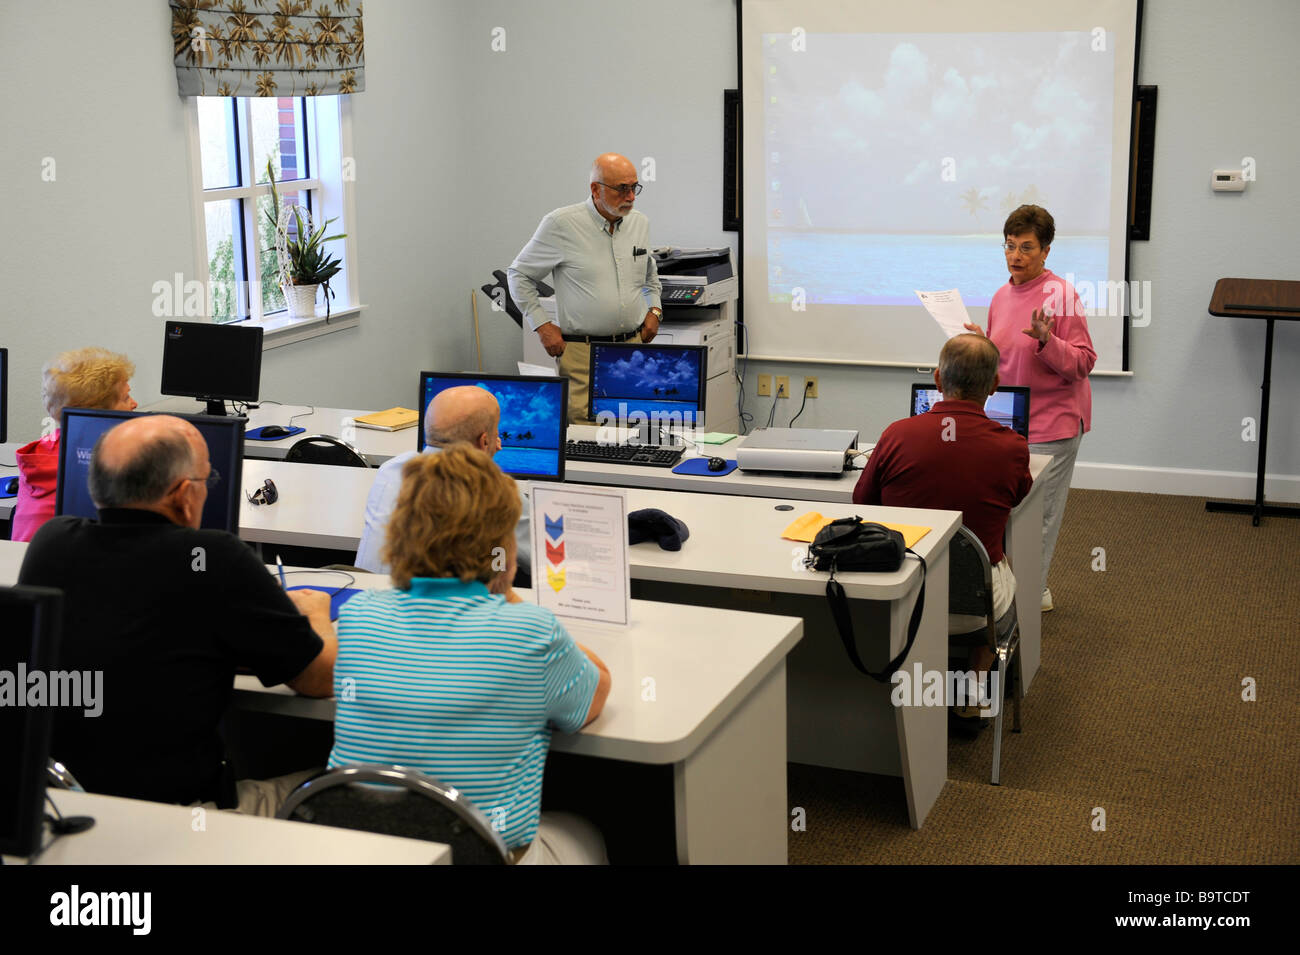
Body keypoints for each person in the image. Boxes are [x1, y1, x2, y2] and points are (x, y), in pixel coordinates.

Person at [17, 414, 336, 814]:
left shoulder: (51, 541)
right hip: (176, 816)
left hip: (57, 803)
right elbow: (320, 679)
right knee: (334, 782)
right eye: (208, 481)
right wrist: (315, 614)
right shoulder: (217, 558)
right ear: (185, 495)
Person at [330, 444, 612, 864]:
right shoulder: (532, 634)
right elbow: (596, 692)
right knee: (588, 829)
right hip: (486, 857)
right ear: (502, 542)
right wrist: (507, 594)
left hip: (372, 854)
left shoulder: (358, 617)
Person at [854, 334, 1032, 679]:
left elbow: (863, 502)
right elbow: (1015, 499)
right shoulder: (1013, 447)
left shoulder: (896, 435)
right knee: (1001, 561)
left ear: (937, 378)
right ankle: (975, 681)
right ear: (995, 385)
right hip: (975, 610)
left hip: (900, 591)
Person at [964, 205, 1096, 612]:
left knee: (1037, 519)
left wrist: (1046, 341)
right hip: (1005, 421)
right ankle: (1005, 592)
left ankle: (1032, 597)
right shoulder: (1002, 295)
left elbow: (1083, 361)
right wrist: (980, 341)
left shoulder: (1062, 296)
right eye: (1009, 246)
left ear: (1046, 251)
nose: (1016, 255)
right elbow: (1004, 357)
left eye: (1026, 247)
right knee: (1002, 512)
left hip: (1051, 425)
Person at [507, 152, 663, 424]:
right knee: (586, 437)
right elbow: (518, 275)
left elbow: (650, 277)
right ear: (595, 189)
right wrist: (542, 326)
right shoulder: (561, 224)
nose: (631, 196)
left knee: (636, 432)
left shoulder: (640, 222)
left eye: (634, 187)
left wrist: (655, 310)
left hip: (634, 351)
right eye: (622, 189)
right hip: (583, 355)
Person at [355, 385, 531, 578]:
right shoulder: (498, 490)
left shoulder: (391, 469)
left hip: (368, 595)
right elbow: (541, 563)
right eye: (495, 432)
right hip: (432, 605)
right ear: (484, 441)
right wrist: (486, 461)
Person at [13, 346, 139, 542]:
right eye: (125, 397)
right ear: (97, 414)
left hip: (25, 567)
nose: (135, 404)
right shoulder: (104, 467)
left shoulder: (41, 455)